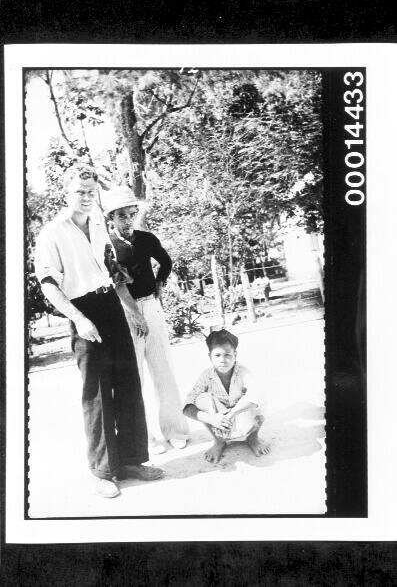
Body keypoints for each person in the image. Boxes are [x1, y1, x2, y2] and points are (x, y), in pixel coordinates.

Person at [34, 163, 164, 498]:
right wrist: (79, 319)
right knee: (96, 393)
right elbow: (49, 285)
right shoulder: (52, 233)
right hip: (82, 311)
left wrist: (133, 312)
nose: (88, 197)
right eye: (80, 191)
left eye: (92, 192)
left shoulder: (98, 225)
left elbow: (114, 271)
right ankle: (104, 471)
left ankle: (133, 459)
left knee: (128, 383)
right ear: (66, 192)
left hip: (111, 307)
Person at [104, 185, 190, 454]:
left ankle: (175, 430)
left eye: (131, 214)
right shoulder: (108, 246)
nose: (128, 220)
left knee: (163, 369)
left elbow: (165, 261)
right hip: (126, 313)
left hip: (151, 307)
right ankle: (148, 439)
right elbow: (118, 285)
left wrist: (160, 285)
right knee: (134, 377)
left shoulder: (146, 238)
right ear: (112, 218)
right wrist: (133, 314)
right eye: (122, 216)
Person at [183, 329, 270, 464]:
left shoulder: (243, 372)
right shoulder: (206, 375)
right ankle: (219, 442)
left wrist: (231, 414)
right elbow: (187, 406)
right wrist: (212, 419)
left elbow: (257, 395)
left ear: (235, 355)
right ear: (209, 356)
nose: (223, 360)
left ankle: (253, 438)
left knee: (260, 396)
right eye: (217, 355)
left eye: (227, 355)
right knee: (201, 399)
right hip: (219, 420)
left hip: (240, 415)